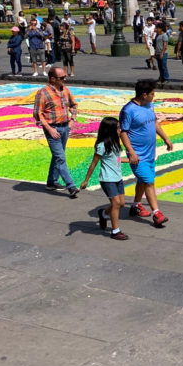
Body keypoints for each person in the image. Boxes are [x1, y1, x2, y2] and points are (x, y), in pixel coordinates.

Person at [119, 79, 173, 227]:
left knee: (143, 181)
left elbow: (155, 122)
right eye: (152, 94)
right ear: (144, 95)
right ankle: (157, 214)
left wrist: (166, 138)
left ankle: (136, 205)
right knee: (149, 182)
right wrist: (131, 152)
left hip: (150, 153)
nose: (153, 97)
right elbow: (123, 132)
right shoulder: (128, 110)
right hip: (137, 155)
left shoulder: (149, 105)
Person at [80, 117, 130, 240]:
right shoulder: (102, 146)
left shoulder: (116, 143)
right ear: (111, 130)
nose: (120, 130)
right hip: (107, 179)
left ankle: (103, 214)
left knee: (121, 203)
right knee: (116, 203)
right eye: (118, 127)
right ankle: (115, 231)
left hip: (118, 178)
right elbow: (94, 163)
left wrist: (129, 160)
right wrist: (86, 180)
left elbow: (116, 160)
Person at [33, 68, 79, 198]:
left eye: (65, 76)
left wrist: (73, 119)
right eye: (62, 77)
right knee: (60, 157)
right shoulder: (43, 93)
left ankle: (51, 182)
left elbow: (74, 105)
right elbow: (38, 113)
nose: (65, 79)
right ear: (52, 79)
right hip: (52, 128)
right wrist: (49, 128)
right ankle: (71, 186)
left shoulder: (65, 89)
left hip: (65, 127)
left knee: (58, 156)